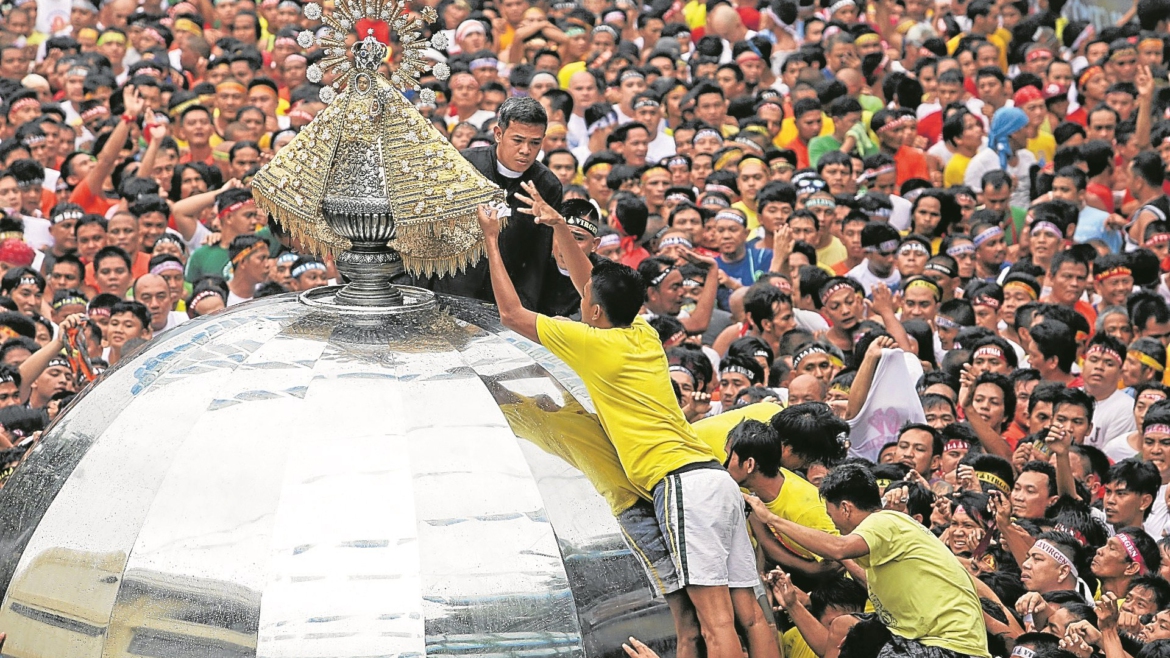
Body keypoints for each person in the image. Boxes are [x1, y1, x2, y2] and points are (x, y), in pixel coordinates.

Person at [477, 184, 778, 658]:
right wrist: (559, 227)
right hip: (712, 479)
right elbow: (590, 283)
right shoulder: (642, 333)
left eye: (586, 300)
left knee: (715, 624)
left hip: (678, 484)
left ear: (594, 312)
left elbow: (511, 314)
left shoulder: (593, 343)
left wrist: (491, 240)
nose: (581, 299)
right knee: (750, 613)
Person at [745, 464, 991, 658]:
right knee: (844, 627)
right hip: (918, 639)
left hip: (951, 649)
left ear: (846, 509)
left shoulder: (883, 521)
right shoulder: (882, 541)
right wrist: (792, 603)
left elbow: (837, 549)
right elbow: (830, 647)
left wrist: (771, 519)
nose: (834, 525)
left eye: (832, 516)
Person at [416, 97, 563, 314]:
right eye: (518, 140)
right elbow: (429, 236)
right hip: (449, 294)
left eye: (535, 143)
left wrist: (525, 312)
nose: (526, 150)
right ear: (498, 134)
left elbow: (536, 260)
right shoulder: (462, 167)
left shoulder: (547, 186)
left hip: (506, 303)